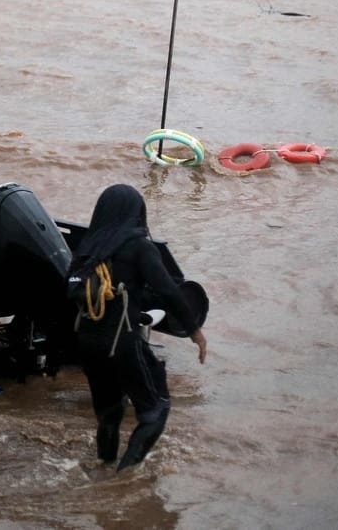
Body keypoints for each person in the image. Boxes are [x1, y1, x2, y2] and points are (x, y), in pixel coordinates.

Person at [70, 184, 207, 470]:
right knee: (156, 408)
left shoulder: (87, 248)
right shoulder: (139, 247)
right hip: (121, 343)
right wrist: (194, 331)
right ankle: (123, 479)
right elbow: (169, 291)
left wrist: (137, 311)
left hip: (88, 342)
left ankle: (104, 466)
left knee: (109, 412)